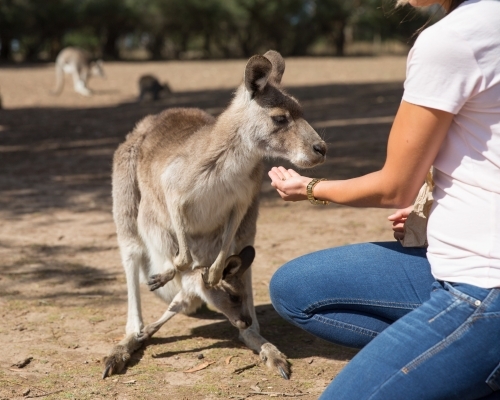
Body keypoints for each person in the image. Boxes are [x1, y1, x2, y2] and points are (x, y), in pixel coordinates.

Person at [267, 0, 500, 399]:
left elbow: (393, 187)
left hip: (484, 283)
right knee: (295, 289)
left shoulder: (450, 41)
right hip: (452, 260)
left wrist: (308, 188)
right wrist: (435, 206)